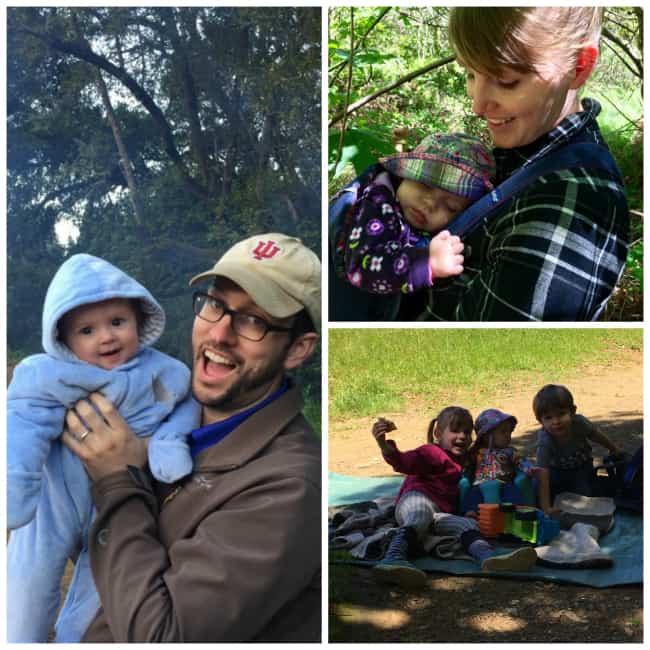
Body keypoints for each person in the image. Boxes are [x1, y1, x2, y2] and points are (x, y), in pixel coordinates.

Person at [60, 233, 322, 642]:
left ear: (298, 350)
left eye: (253, 320)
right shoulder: (162, 414)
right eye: (216, 304)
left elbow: (162, 637)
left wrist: (116, 483)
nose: (219, 334)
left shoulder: (288, 487)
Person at [6, 253, 199, 643]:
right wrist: (15, 484)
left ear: (139, 321)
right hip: (54, 499)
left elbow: (187, 405)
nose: (106, 337)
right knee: (25, 581)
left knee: (101, 591)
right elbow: (22, 422)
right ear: (63, 339)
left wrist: (166, 444)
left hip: (117, 498)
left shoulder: (165, 371)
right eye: (87, 330)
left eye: (116, 322)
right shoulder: (47, 373)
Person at [411, 7, 629, 321]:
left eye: (506, 80)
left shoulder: (571, 201)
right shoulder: (524, 154)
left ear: (579, 67)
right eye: (470, 74)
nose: (477, 105)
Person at [331, 132, 494, 320]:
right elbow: (362, 265)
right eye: (425, 185)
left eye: (450, 206)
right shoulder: (376, 205)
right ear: (402, 176)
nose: (430, 203)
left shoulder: (404, 209)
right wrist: (427, 262)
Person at [371, 407, 537, 587]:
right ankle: (393, 558)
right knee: (420, 515)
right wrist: (385, 447)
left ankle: (490, 557)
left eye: (467, 432)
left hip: (440, 514)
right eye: (456, 430)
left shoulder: (467, 461)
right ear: (438, 433)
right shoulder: (431, 453)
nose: (462, 436)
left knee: (468, 525)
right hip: (417, 499)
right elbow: (405, 462)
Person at [533, 384, 623, 513]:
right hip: (556, 471)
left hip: (581, 468)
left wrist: (613, 449)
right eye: (548, 417)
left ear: (573, 411)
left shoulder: (579, 423)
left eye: (561, 414)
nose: (556, 421)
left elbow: (596, 435)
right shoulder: (545, 440)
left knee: (585, 498)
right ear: (540, 421)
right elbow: (543, 472)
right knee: (537, 488)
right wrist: (545, 507)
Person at [461, 408, 537, 516]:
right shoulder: (477, 452)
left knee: (512, 494)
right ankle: (471, 512)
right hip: (480, 485)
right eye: (503, 432)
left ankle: (513, 514)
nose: (508, 435)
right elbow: (466, 464)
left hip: (504, 484)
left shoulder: (509, 451)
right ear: (487, 436)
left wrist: (529, 468)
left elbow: (521, 461)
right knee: (473, 495)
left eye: (509, 432)